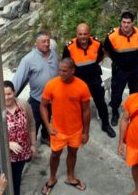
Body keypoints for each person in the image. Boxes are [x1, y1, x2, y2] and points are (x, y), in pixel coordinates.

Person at [39, 58, 91, 194]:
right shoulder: (51, 85)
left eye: (64, 71)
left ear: (72, 70)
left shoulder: (82, 86)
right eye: (59, 70)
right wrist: (48, 127)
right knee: (55, 154)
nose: (61, 73)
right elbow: (43, 105)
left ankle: (70, 177)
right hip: (57, 130)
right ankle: (51, 179)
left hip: (75, 130)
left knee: (73, 153)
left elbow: (86, 110)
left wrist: (86, 132)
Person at [62, 22, 117, 138]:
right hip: (77, 81)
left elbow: (100, 56)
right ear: (77, 34)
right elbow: (65, 64)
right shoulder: (69, 47)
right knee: (76, 105)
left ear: (89, 34)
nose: (83, 37)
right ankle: (78, 127)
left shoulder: (96, 43)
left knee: (101, 103)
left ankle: (105, 124)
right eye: (80, 34)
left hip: (94, 79)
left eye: (85, 34)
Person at [0, 81, 36, 195]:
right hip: (3, 158)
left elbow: (32, 124)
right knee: (5, 184)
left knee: (16, 181)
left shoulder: (23, 104)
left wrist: (33, 144)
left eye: (9, 94)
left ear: (14, 92)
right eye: (3, 95)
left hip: (22, 154)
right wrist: (8, 143)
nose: (7, 97)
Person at [12, 31, 59, 145]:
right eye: (43, 41)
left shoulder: (54, 54)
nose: (46, 44)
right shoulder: (28, 59)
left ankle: (45, 137)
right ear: (36, 43)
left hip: (53, 98)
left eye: (48, 41)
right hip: (37, 99)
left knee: (49, 120)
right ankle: (30, 147)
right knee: (34, 124)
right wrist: (9, 95)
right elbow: (18, 79)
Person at [104, 11, 138, 127]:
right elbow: (106, 50)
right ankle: (115, 113)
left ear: (132, 23)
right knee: (117, 93)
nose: (126, 25)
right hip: (120, 70)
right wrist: (115, 59)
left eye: (128, 22)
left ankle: (133, 113)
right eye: (124, 22)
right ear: (120, 22)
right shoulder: (112, 36)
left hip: (135, 69)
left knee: (135, 92)